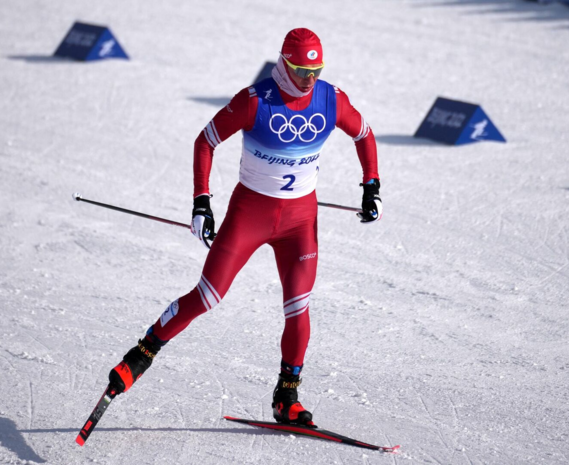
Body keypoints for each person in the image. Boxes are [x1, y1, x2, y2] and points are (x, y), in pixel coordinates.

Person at [107, 28, 382, 426]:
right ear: (284, 64)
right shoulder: (254, 101)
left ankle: (287, 396)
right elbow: (205, 141)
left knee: (299, 307)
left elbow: (365, 134)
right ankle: (142, 353)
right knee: (208, 295)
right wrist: (201, 201)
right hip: (250, 215)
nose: (310, 78)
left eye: (317, 70)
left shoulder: (331, 98)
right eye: (303, 70)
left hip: (300, 223)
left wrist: (371, 185)